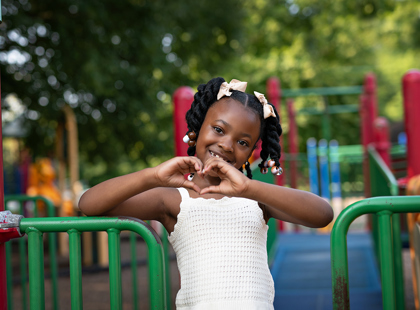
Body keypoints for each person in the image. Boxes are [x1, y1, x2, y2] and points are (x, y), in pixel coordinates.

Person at [79, 77, 333, 310]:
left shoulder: (255, 198)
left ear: (252, 152)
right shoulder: (174, 199)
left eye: (243, 142)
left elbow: (322, 215)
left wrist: (248, 188)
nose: (226, 145)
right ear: (198, 128)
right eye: (219, 130)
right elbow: (88, 203)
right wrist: (152, 176)